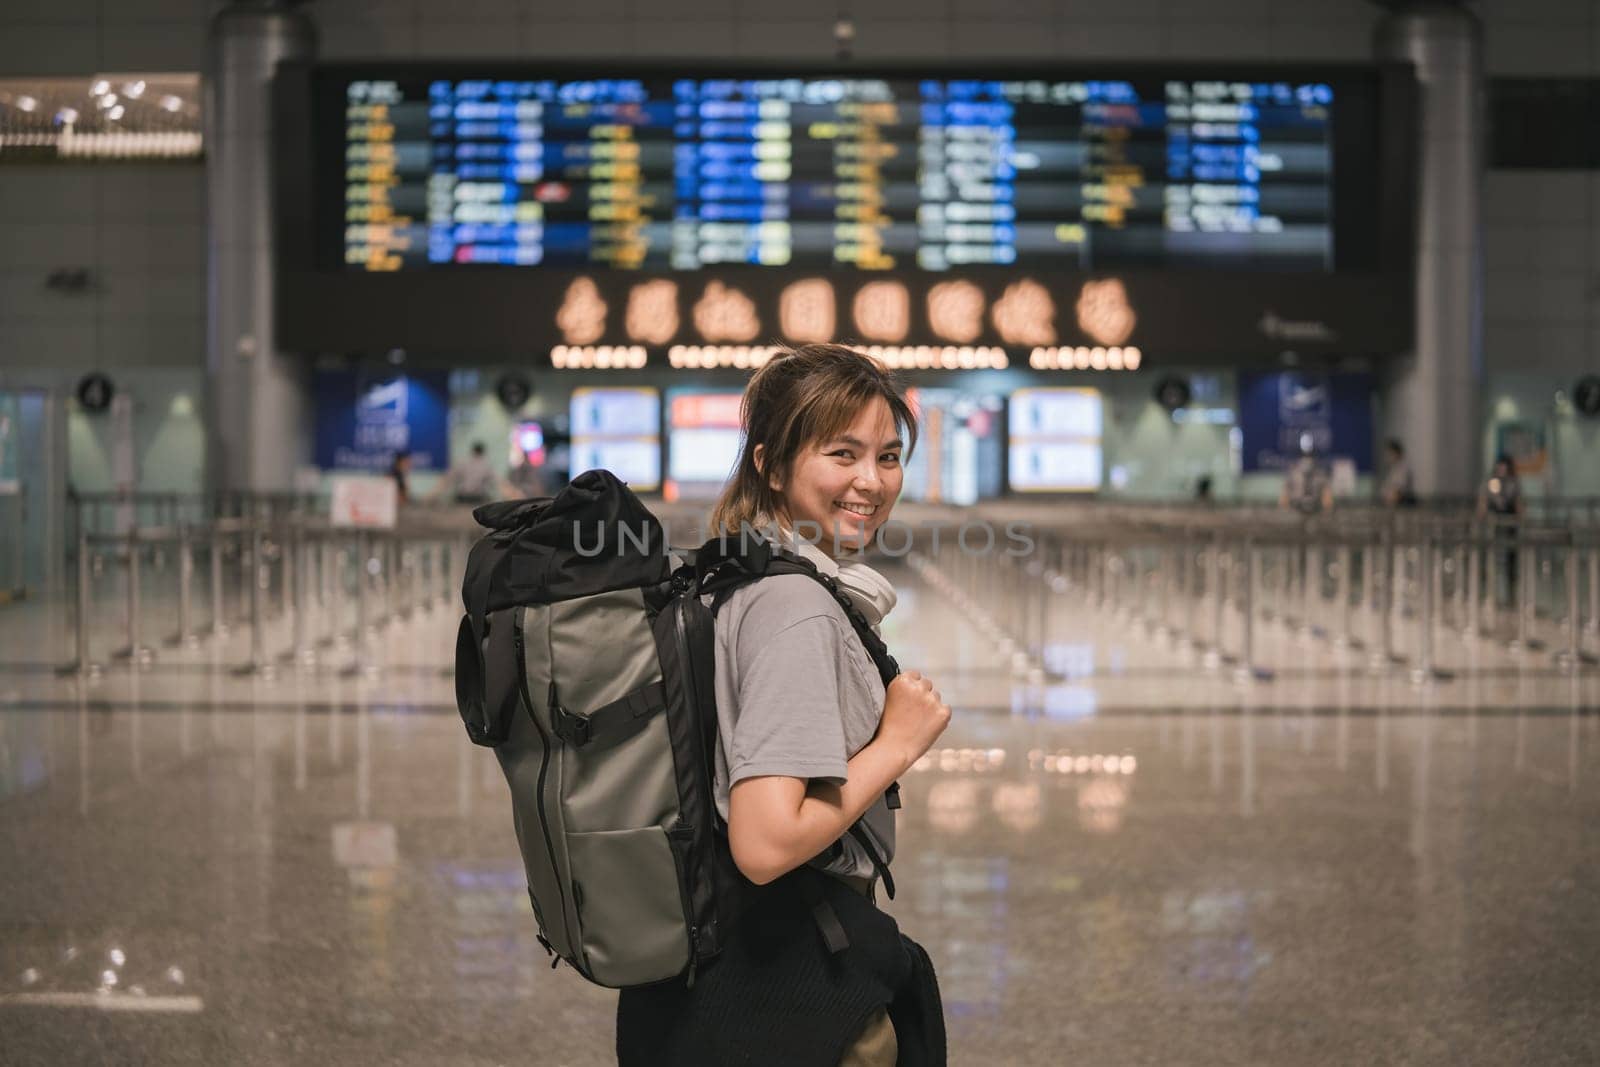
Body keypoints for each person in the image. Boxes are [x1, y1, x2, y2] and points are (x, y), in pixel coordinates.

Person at [616, 344, 951, 1065]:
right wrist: (899, 741)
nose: (872, 480)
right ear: (771, 465)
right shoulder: (795, 606)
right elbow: (765, 843)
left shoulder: (727, 573)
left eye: (889, 456)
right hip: (785, 994)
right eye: (842, 453)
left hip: (700, 983)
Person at [1479, 454, 1524, 607]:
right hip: (1494, 524)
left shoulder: (1514, 483)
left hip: (1509, 524)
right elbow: (1483, 503)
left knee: (1511, 559)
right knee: (1488, 557)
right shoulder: (1490, 482)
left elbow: (1518, 504)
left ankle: (1511, 593)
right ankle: (1487, 591)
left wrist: (1520, 517)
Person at [431, 441, 499, 505]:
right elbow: (499, 483)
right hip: (478, 498)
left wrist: (432, 495)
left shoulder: (463, 464)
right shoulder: (486, 466)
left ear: (473, 451)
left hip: (462, 497)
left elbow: (447, 480)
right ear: (483, 453)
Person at [1280, 437, 1332, 515]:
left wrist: (1326, 510)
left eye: (1309, 456)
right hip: (1296, 508)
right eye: (1303, 456)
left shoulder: (1320, 473)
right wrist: (1285, 511)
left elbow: (1327, 498)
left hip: (1316, 509)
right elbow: (1284, 496)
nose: (1306, 460)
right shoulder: (1293, 472)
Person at [1380, 439, 1417, 508]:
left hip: (1402, 505)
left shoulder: (1403, 468)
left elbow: (1398, 491)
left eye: (1389, 453)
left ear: (1396, 453)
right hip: (1392, 504)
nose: (1387, 457)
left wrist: (1390, 499)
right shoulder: (1393, 468)